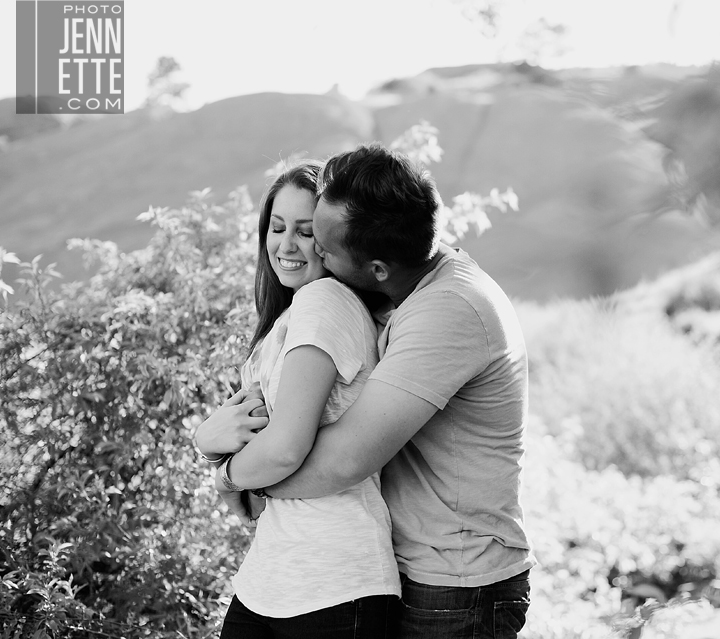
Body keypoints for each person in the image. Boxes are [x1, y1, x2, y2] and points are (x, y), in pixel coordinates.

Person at [220, 142, 535, 638]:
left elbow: (346, 461)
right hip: (415, 567)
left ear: (377, 268)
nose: (306, 252)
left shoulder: (449, 311)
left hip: (455, 584)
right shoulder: (404, 289)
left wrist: (237, 477)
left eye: (321, 245)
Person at [194, 160, 400, 638]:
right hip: (271, 577)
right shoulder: (287, 323)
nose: (286, 245)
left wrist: (217, 464)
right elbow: (257, 503)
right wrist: (219, 453)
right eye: (277, 226)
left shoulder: (324, 301)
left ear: (331, 242)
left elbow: (283, 451)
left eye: (306, 232)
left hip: (335, 581)